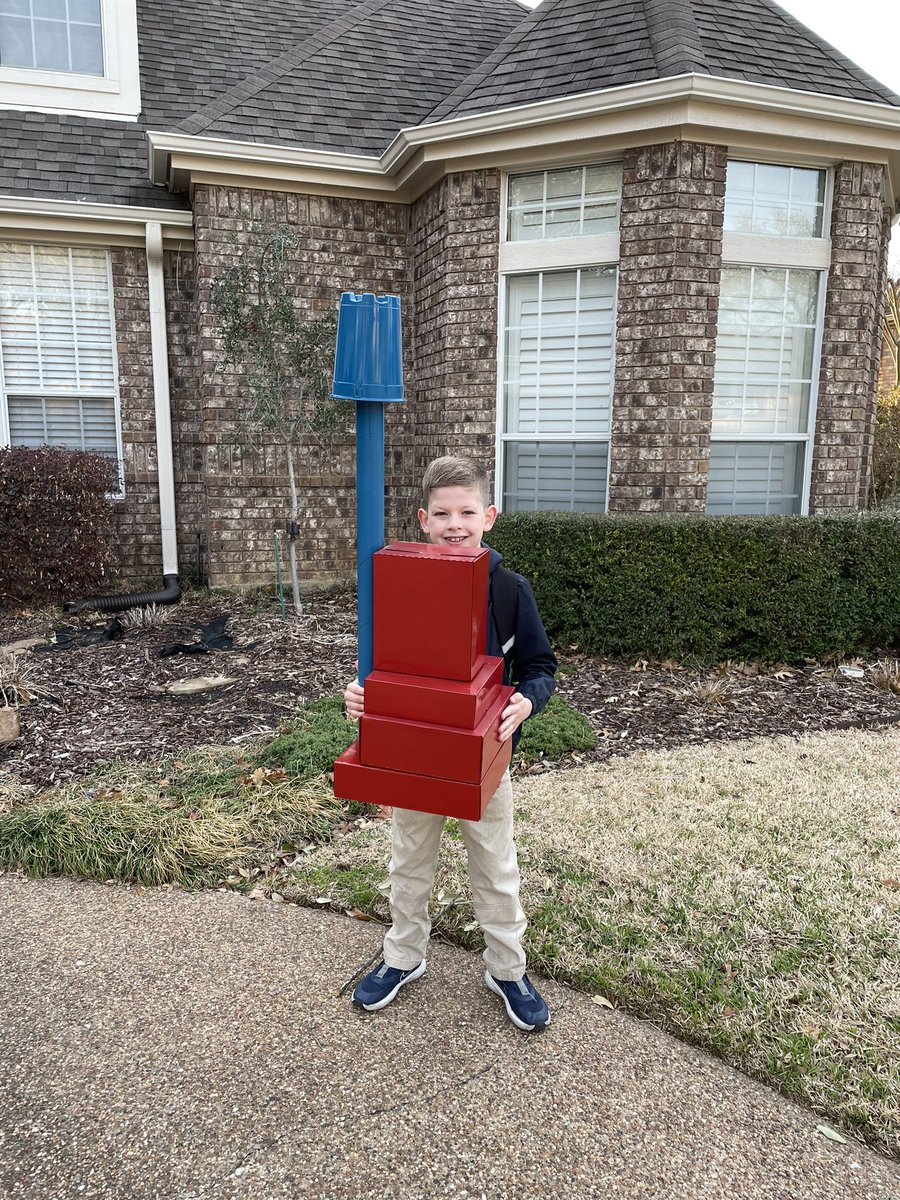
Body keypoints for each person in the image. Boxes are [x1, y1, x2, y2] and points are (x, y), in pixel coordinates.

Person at [343, 455, 558, 1031]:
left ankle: (507, 968)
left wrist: (527, 699)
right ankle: (403, 957)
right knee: (409, 861)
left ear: (489, 516)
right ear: (423, 520)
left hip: (483, 754)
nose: (455, 524)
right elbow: (379, 665)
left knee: (494, 863)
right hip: (416, 751)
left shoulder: (510, 591)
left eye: (467, 511)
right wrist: (362, 696)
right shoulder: (400, 583)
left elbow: (541, 666)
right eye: (442, 514)